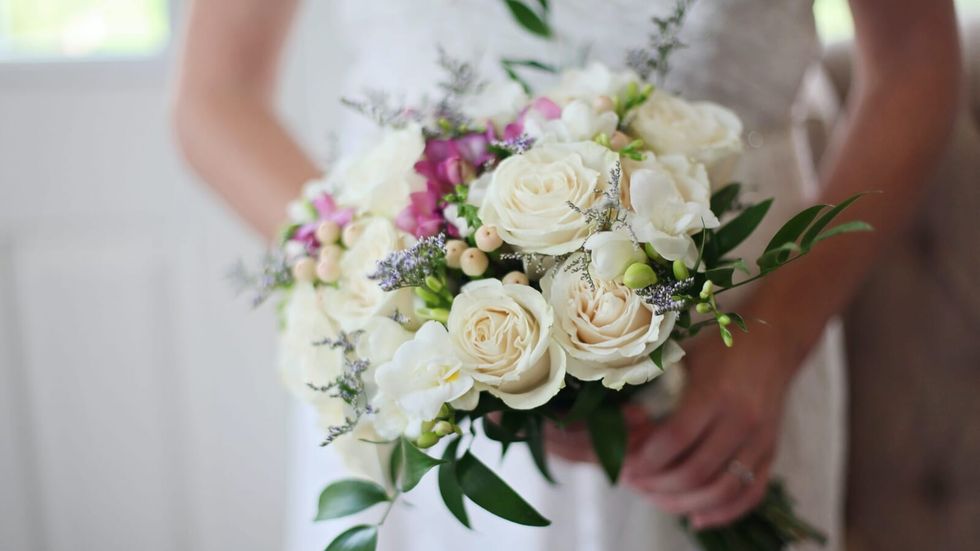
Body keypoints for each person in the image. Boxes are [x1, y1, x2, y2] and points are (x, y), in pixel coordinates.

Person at [173, 1, 960, 549]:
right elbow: (217, 95)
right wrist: (405, 297)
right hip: (424, 358)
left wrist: (774, 340)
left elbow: (917, 60)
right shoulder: (416, 315)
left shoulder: (760, 347)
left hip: (738, 342)